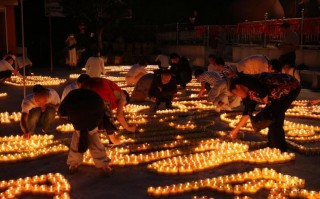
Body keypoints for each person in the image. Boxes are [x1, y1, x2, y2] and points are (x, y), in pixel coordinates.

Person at [229, 72, 301, 152]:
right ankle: (276, 145)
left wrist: (266, 109)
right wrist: (235, 130)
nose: (239, 96)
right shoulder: (249, 95)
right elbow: (247, 113)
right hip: (277, 96)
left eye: (236, 93)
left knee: (274, 117)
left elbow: (264, 94)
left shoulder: (248, 82)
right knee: (273, 117)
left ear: (238, 86)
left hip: (290, 88)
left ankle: (277, 148)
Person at [58, 88, 112, 173]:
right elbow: (103, 108)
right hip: (92, 116)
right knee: (93, 138)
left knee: (78, 138)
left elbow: (61, 111)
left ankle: (74, 163)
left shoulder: (73, 94)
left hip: (80, 117)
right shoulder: (93, 94)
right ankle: (103, 164)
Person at [83, 77, 136, 145]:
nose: (119, 106)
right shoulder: (123, 96)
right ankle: (112, 140)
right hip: (100, 90)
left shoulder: (113, 90)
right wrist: (128, 128)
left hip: (86, 87)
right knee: (108, 117)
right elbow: (119, 115)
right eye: (123, 105)